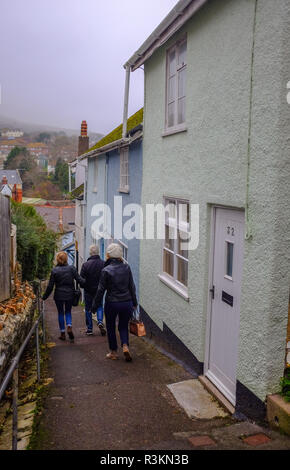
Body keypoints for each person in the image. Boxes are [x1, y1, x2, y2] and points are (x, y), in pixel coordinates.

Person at [92, 243, 138, 362]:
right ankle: (125, 346)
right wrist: (134, 302)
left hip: (112, 303)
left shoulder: (105, 270)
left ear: (108, 255)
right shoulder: (127, 268)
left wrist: (94, 306)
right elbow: (132, 287)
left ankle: (113, 352)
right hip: (126, 302)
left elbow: (100, 290)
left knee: (111, 327)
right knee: (123, 326)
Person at [42, 251, 85, 342]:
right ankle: (69, 326)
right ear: (66, 259)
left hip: (59, 295)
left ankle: (62, 333)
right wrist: (88, 283)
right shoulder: (72, 268)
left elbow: (50, 286)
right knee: (68, 311)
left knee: (61, 313)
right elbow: (79, 279)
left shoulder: (54, 270)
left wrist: (44, 297)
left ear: (58, 259)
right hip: (70, 294)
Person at [80, 244, 106, 336]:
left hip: (88, 290)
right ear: (98, 252)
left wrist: (83, 286)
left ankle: (90, 329)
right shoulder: (103, 263)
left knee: (88, 308)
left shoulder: (85, 265)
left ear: (90, 253)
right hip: (100, 290)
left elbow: (81, 279)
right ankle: (99, 321)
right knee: (99, 306)